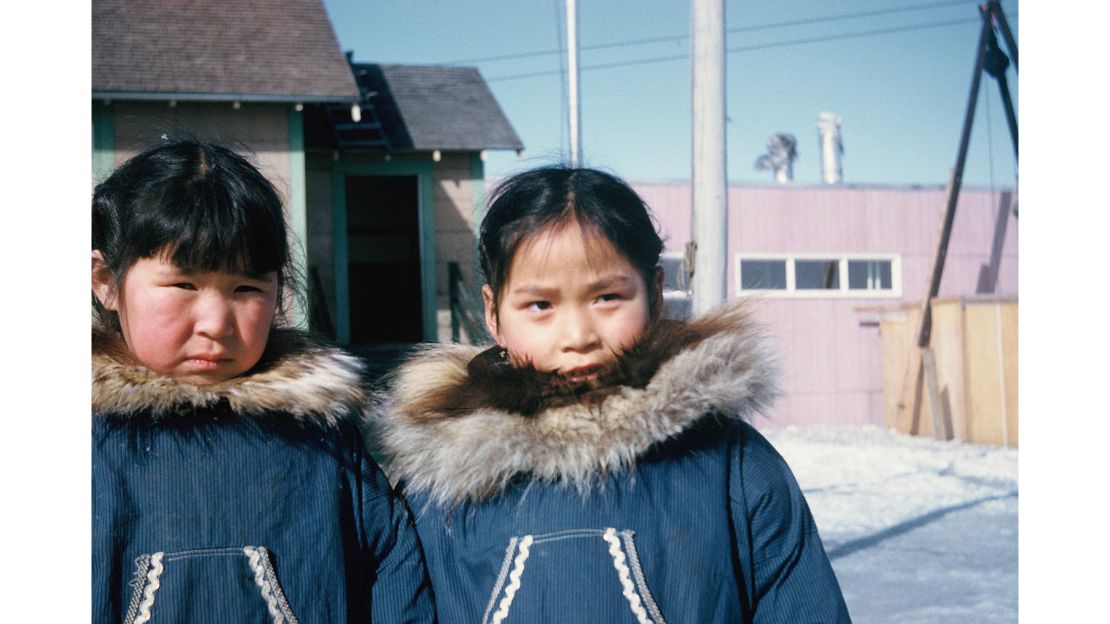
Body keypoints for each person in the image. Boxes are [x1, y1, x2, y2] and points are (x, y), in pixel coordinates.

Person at [375, 165, 851, 623]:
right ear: (494, 313)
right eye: (540, 305)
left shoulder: (732, 464)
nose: (579, 334)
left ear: (656, 293)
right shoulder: (440, 483)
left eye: (607, 298)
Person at [91, 140, 434, 623]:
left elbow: (394, 576)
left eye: (246, 288)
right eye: (183, 285)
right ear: (106, 280)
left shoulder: (323, 440)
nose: (215, 322)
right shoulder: (90, 443)